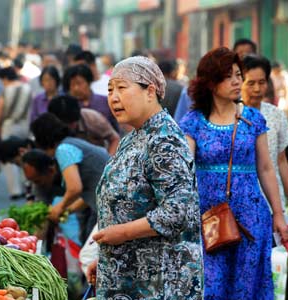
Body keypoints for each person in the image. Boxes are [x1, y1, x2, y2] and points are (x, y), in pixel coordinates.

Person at [87, 56, 203, 298]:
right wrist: (108, 258)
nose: (114, 98)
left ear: (150, 91)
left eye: (121, 88)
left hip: (158, 281)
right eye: (110, 89)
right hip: (128, 271)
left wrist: (122, 234)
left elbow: (176, 211)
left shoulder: (164, 140)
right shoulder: (133, 137)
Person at [179, 47, 288, 299]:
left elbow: (265, 168)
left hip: (251, 218)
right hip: (208, 219)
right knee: (212, 289)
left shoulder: (253, 119)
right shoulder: (193, 121)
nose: (237, 81)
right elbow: (184, 169)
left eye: (238, 74)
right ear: (210, 81)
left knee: (246, 289)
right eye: (228, 76)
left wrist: (279, 214)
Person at [31, 113, 110, 243]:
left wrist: (59, 207)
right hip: (107, 206)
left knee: (88, 257)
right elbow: (89, 193)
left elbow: (75, 188)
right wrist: (67, 210)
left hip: (110, 209)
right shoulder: (74, 143)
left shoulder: (64, 149)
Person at [241, 55, 288, 222]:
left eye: (261, 82)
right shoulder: (231, 116)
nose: (257, 89)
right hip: (241, 205)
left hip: (274, 203)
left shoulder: (276, 115)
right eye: (250, 83)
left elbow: (282, 161)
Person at [0, 66, 33, 199]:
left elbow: (0, 110)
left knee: (9, 157)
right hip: (24, 124)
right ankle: (28, 184)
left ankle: (15, 190)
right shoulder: (27, 87)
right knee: (25, 154)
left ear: (5, 78)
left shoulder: (5, 90)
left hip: (9, 124)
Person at [47, 95, 120, 155]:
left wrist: (108, 162)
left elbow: (115, 139)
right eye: (66, 124)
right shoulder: (51, 126)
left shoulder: (93, 119)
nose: (71, 127)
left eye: (73, 122)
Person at [62, 64, 118, 131]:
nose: (76, 88)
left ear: (89, 82)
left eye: (79, 83)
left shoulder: (106, 101)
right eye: (72, 85)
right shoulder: (67, 106)